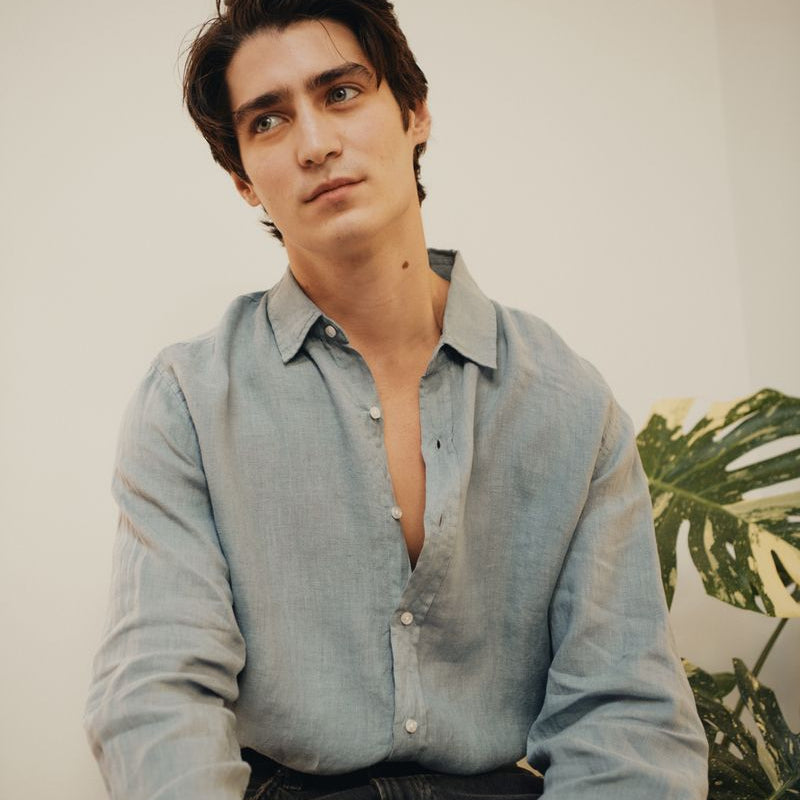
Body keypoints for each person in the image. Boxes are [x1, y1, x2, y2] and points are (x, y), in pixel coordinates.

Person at [84, 1, 709, 798]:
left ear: (415, 112)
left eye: (341, 93)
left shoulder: (567, 402)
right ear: (244, 179)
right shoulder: (189, 402)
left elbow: (626, 715)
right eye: (268, 121)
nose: (315, 143)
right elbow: (158, 695)